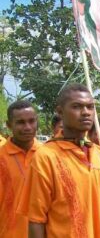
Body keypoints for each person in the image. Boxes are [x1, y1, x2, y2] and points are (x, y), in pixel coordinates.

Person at [17, 83, 100, 238]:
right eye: (77, 107)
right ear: (60, 111)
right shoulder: (46, 156)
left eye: (90, 107)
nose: (86, 112)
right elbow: (36, 220)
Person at [0, 100, 41, 237]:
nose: (28, 127)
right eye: (20, 122)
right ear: (9, 125)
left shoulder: (48, 155)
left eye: (31, 121)